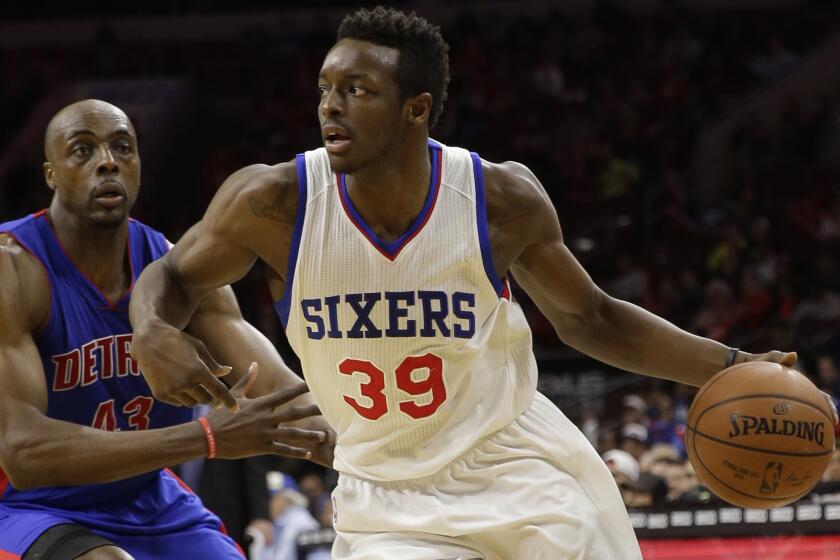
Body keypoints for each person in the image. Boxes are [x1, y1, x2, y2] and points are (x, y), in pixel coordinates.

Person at [129, 7, 838, 559]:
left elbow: (592, 318)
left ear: (416, 109)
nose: (331, 106)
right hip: (386, 490)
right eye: (325, 88)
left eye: (358, 90)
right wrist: (152, 330)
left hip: (519, 467)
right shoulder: (273, 202)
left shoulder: (498, 199)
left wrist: (732, 365)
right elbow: (170, 278)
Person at [0, 99, 334, 560]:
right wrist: (207, 438)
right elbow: (22, 454)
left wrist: (381, 463)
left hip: (147, 501)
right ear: (50, 173)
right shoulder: (12, 269)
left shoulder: (178, 272)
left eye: (122, 147)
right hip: (26, 507)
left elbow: (285, 396)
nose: (108, 161)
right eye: (83, 150)